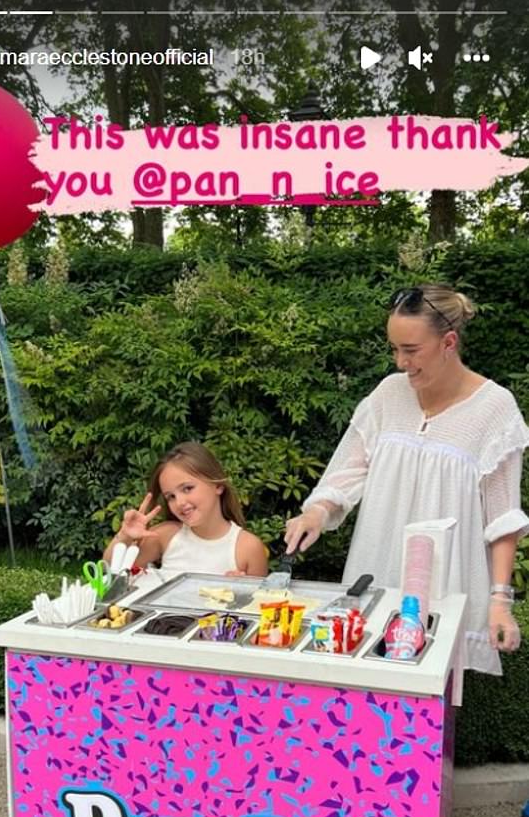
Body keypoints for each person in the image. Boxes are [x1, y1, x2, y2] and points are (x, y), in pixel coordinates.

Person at [285, 284, 529, 681]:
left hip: (447, 590)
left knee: (430, 714)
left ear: (448, 341)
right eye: (395, 348)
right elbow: (349, 470)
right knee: (360, 698)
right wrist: (316, 511)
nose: (400, 361)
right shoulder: (388, 394)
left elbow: (502, 519)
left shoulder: (495, 410)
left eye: (411, 350)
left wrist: (499, 602)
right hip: (377, 573)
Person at [104, 442, 268, 578]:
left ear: (217, 485)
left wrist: (241, 594)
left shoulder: (248, 547)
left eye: (188, 488)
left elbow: (260, 608)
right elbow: (112, 572)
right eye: (171, 497)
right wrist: (124, 536)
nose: (180, 502)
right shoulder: (165, 534)